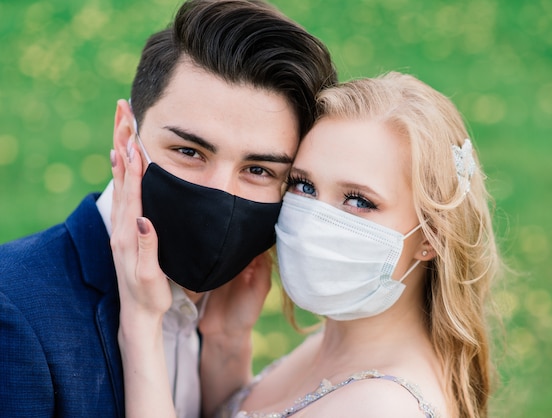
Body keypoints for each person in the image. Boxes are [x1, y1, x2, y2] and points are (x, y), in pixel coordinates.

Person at [0, 0, 336, 416]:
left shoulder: (224, 318)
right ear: (126, 134)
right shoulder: (12, 310)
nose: (219, 193)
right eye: (189, 151)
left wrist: (228, 344)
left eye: (258, 169)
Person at [114, 71, 502, 418]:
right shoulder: (332, 345)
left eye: (359, 200)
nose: (314, 218)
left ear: (431, 235)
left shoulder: (382, 407)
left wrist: (142, 322)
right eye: (303, 185)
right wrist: (226, 342)